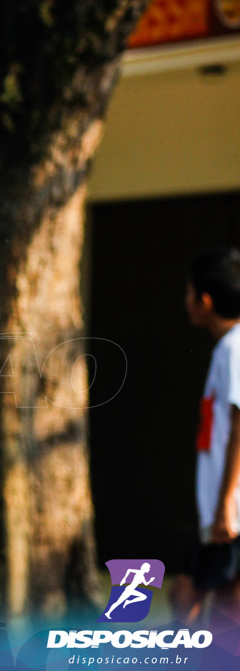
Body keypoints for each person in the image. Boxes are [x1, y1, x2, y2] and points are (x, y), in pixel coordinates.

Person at [173, 247, 240, 624]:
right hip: (223, 512)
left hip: (232, 514)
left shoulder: (235, 348)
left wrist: (226, 503)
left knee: (194, 600)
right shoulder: (227, 349)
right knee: (197, 600)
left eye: (188, 294)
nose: (185, 303)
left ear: (206, 300)